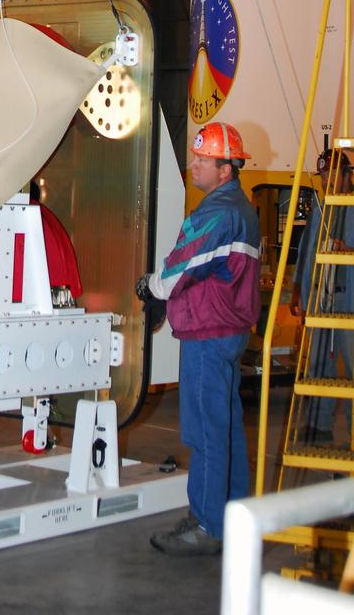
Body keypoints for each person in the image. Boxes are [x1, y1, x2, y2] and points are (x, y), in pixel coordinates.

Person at [136, 121, 260, 556]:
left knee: (206, 430)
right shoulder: (240, 208)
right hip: (228, 331)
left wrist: (150, 287)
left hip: (208, 334)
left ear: (226, 169)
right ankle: (233, 517)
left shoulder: (218, 213)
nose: (194, 164)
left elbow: (179, 269)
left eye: (202, 159)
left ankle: (207, 525)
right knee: (225, 428)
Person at [290, 147, 354, 444]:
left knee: (351, 368)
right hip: (319, 297)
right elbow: (306, 250)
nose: (326, 180)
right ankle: (318, 424)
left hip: (348, 299)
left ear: (347, 175)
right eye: (323, 175)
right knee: (318, 363)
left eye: (332, 174)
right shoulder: (319, 208)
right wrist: (298, 290)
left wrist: (347, 250)